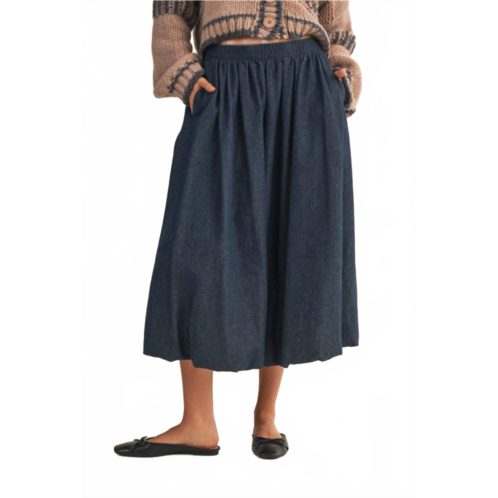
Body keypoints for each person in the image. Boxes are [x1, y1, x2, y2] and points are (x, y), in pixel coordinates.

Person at [115, 0, 361, 461]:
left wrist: (341, 73)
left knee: (287, 240)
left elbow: (336, 14)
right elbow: (171, 10)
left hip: (306, 82)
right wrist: (182, 72)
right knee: (195, 249)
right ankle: (198, 422)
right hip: (223, 82)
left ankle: (266, 416)